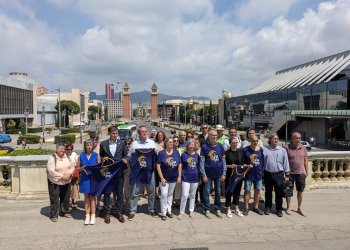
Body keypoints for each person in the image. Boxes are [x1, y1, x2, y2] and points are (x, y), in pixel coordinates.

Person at [99, 126, 128, 224]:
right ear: (109, 134)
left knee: (120, 194)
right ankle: (107, 213)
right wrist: (103, 159)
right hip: (108, 173)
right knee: (107, 193)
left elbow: (126, 155)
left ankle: (119, 212)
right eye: (113, 133)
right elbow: (101, 156)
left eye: (116, 133)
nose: (115, 135)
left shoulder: (122, 143)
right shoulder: (103, 144)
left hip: (119, 173)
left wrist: (126, 159)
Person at [128, 125, 158, 220]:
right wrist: (132, 153)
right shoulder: (134, 144)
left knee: (151, 191)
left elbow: (157, 156)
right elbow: (129, 157)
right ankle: (132, 210)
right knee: (135, 192)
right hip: (138, 172)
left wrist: (156, 152)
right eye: (142, 132)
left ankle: (151, 209)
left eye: (145, 131)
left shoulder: (152, 143)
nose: (144, 133)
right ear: (139, 133)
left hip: (149, 171)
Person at [200, 129, 227, 219]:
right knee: (207, 192)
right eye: (212, 135)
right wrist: (203, 174)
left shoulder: (220, 146)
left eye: (215, 135)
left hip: (218, 174)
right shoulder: (204, 147)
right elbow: (202, 162)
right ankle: (207, 209)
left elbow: (223, 161)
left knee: (218, 192)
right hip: (208, 175)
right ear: (209, 136)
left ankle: (217, 208)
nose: (214, 137)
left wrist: (224, 173)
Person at [263, 133, 290, 217]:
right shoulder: (265, 150)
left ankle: (279, 209)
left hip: (279, 174)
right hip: (268, 174)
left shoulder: (282, 150)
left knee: (279, 192)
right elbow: (262, 163)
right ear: (270, 140)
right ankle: (268, 207)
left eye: (277, 139)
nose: (276, 140)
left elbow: (286, 162)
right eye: (274, 139)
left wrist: (287, 175)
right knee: (268, 192)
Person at [47, 142, 74, 222]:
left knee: (65, 198)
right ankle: (54, 215)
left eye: (64, 149)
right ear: (56, 149)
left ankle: (64, 211)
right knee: (54, 199)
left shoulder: (67, 157)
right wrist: (62, 176)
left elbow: (72, 167)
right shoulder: (52, 158)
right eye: (61, 149)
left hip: (66, 181)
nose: (63, 150)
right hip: (55, 182)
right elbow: (51, 171)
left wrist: (69, 173)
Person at [156, 138, 182, 221]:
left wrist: (179, 175)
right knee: (164, 194)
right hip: (164, 178)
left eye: (172, 142)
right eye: (169, 142)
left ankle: (169, 211)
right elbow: (158, 166)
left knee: (170, 194)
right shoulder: (161, 153)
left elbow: (179, 164)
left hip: (173, 178)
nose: (171, 143)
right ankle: (163, 212)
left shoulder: (176, 152)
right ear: (166, 143)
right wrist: (162, 178)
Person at [285, 132, 308, 217]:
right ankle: (288, 207)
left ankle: (299, 208)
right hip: (290, 173)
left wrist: (307, 171)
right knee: (289, 191)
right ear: (292, 139)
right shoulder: (287, 147)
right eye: (296, 138)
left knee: (300, 191)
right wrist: (286, 173)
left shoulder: (303, 148)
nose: (298, 139)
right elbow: (284, 161)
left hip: (301, 173)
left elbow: (305, 159)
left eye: (299, 138)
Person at [78, 139, 100, 225]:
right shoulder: (81, 156)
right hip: (84, 178)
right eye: (87, 145)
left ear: (92, 146)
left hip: (93, 178)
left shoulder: (96, 155)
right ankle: (87, 215)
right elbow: (78, 168)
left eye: (90, 145)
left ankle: (93, 215)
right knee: (86, 196)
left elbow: (99, 168)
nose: (89, 146)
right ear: (85, 146)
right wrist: (82, 168)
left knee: (93, 197)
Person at [178, 139, 200, 220]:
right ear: (187, 146)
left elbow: (199, 167)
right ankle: (181, 212)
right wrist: (180, 176)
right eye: (189, 145)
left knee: (192, 195)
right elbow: (180, 165)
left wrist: (200, 178)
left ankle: (191, 211)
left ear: (194, 146)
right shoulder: (184, 155)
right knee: (184, 195)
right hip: (186, 178)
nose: (191, 146)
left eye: (192, 145)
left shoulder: (197, 155)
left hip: (195, 178)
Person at [243, 135, 264, 216]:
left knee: (257, 191)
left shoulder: (261, 150)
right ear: (250, 141)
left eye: (256, 141)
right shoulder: (245, 150)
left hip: (258, 174)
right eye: (253, 141)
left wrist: (262, 173)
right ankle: (246, 207)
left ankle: (256, 207)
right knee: (247, 191)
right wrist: (245, 166)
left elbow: (262, 162)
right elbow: (243, 162)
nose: (255, 142)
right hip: (248, 174)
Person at [225, 137, 245, 217]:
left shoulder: (240, 151)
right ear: (230, 143)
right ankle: (228, 208)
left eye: (236, 142)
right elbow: (223, 165)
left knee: (237, 191)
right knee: (229, 191)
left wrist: (246, 167)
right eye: (233, 143)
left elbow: (242, 163)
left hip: (238, 175)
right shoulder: (226, 153)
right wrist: (230, 166)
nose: (235, 144)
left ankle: (236, 208)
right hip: (230, 175)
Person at [65, 143, 79, 209]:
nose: (69, 151)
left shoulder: (74, 154)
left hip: (73, 175)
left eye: (70, 149)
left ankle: (73, 202)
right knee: (67, 189)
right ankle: (66, 202)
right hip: (66, 174)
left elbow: (77, 163)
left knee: (74, 188)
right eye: (67, 149)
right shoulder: (63, 155)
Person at [154, 131, 166, 199]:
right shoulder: (155, 144)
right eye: (159, 135)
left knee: (162, 177)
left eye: (161, 135)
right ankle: (156, 193)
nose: (160, 136)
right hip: (157, 163)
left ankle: (162, 191)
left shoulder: (165, 144)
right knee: (157, 178)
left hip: (164, 163)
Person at [123, 138, 133, 214]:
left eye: (129, 144)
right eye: (126, 144)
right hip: (124, 172)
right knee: (124, 188)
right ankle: (125, 202)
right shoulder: (122, 152)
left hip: (131, 172)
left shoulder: (133, 152)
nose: (127, 145)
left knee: (129, 188)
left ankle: (129, 202)